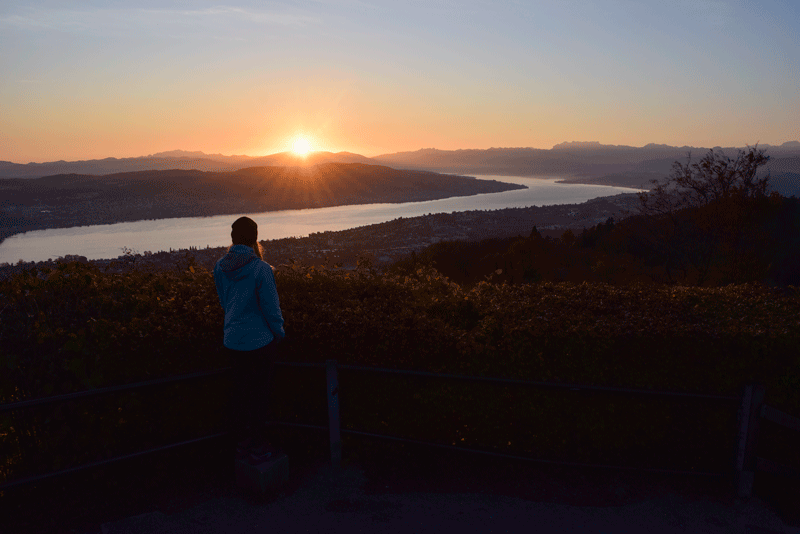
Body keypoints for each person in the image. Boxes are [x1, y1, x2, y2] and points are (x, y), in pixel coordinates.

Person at [213, 216, 285, 464]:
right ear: (255, 238)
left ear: (232, 238)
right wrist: (279, 334)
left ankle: (243, 445)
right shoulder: (260, 269)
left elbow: (224, 303)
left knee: (241, 395)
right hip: (260, 343)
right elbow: (271, 309)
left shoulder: (219, 267)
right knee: (260, 396)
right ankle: (258, 446)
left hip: (232, 341)